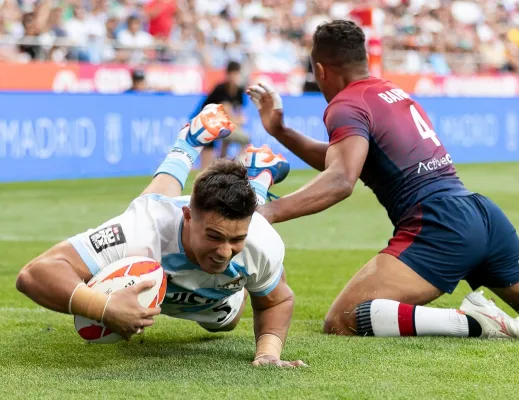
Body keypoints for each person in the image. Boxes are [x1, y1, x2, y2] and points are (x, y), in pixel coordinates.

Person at [246, 20, 519, 340]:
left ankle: (472, 322)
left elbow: (340, 179)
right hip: (482, 215)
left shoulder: (345, 105)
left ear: (320, 70)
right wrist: (280, 131)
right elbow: (342, 160)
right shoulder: (391, 93)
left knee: (345, 318)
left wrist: (268, 212)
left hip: (437, 224)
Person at [16, 104, 305, 368]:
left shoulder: (260, 241)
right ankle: (188, 143)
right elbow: (34, 274)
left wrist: (268, 352)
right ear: (188, 216)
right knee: (151, 206)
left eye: (235, 241)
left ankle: (259, 175)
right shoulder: (141, 230)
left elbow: (276, 300)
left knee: (226, 323)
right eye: (214, 237)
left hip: (216, 293)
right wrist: (104, 307)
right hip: (158, 225)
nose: (224, 251)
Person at [190, 61, 251, 170]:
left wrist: (239, 121)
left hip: (219, 125)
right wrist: (238, 121)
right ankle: (232, 166)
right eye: (232, 74)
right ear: (227, 74)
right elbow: (229, 113)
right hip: (205, 123)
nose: (234, 77)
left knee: (232, 138)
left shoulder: (239, 91)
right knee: (206, 165)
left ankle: (226, 166)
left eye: (236, 74)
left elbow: (239, 113)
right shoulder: (221, 89)